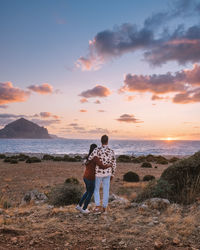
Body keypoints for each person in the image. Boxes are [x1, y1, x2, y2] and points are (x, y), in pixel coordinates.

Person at [76, 144, 111, 214]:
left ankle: (79, 206)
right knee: (90, 193)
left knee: (87, 191)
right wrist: (109, 165)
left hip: (85, 176)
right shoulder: (95, 158)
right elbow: (102, 166)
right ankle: (84, 208)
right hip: (91, 178)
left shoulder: (88, 157)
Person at [88, 135, 116, 213]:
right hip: (108, 173)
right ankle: (104, 207)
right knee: (106, 190)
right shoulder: (111, 151)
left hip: (98, 173)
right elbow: (114, 164)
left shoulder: (97, 150)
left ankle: (97, 206)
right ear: (107, 141)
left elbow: (90, 158)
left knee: (96, 189)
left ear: (101, 141)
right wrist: (112, 174)